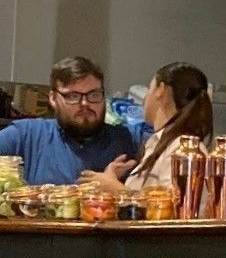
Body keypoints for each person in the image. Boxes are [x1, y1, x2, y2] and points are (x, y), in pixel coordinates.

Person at [0, 55, 143, 184]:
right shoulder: (26, 134)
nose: (85, 104)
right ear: (53, 98)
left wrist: (115, 190)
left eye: (94, 95)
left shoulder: (129, 139)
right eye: (73, 96)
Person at [87, 62, 211, 196]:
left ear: (160, 90)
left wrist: (114, 187)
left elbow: (173, 209)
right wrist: (113, 179)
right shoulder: (157, 143)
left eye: (149, 88)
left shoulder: (182, 150)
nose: (145, 98)